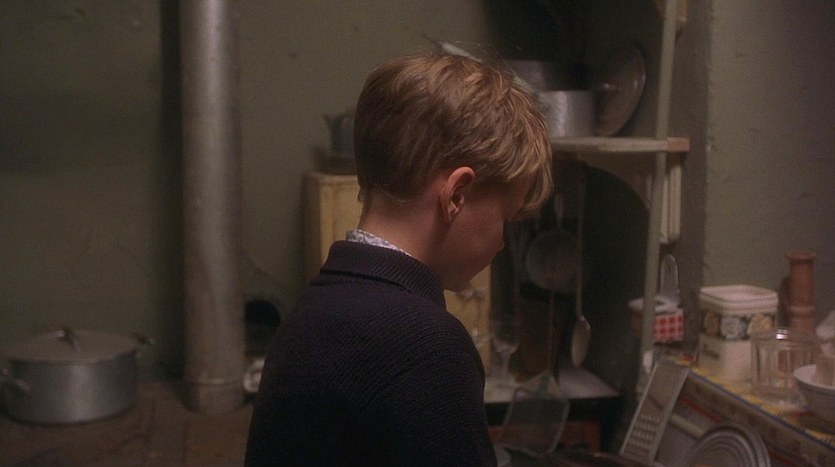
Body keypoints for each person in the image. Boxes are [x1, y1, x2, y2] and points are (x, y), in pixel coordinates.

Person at [245, 51, 553, 466]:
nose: (501, 242)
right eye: (506, 218)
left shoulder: (313, 308)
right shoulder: (427, 347)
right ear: (457, 195)